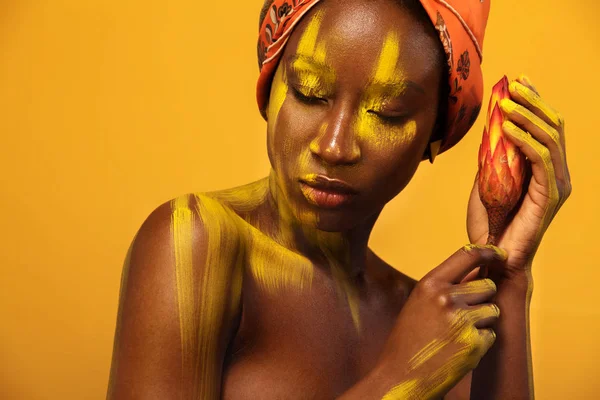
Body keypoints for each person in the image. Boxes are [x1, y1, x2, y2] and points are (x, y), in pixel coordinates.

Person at [107, 0, 571, 398]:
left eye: (387, 114)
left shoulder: (429, 317)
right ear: (270, 92)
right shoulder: (198, 244)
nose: (334, 146)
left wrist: (509, 274)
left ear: (437, 132)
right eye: (310, 94)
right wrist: (398, 381)